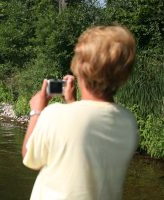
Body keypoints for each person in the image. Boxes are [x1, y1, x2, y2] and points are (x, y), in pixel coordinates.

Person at [22, 25, 139, 200]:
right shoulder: (128, 122)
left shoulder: (55, 115)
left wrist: (37, 111)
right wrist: (71, 102)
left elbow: (30, 157)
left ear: (80, 68)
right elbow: (87, 138)